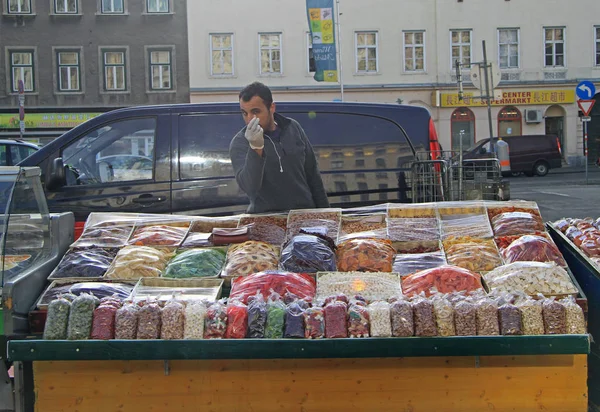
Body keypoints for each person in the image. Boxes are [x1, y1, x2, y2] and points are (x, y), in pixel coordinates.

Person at [229, 82, 329, 213]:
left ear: (271, 107)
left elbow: (313, 175)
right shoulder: (240, 142)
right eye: (244, 113)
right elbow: (249, 187)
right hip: (266, 221)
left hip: (304, 216)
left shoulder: (293, 127)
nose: (249, 119)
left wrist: (327, 215)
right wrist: (256, 148)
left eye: (255, 112)